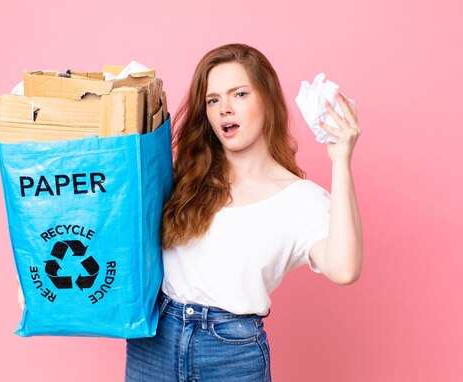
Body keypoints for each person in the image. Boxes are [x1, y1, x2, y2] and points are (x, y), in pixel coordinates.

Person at [124, 43, 363, 381]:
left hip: (231, 353)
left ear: (267, 101)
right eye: (213, 100)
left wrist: (341, 162)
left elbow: (344, 269)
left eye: (239, 94)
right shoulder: (185, 176)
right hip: (155, 339)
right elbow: (122, 227)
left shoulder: (300, 200)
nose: (225, 109)